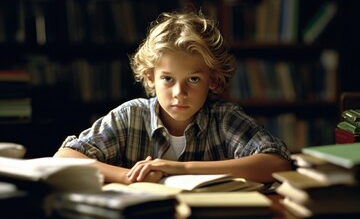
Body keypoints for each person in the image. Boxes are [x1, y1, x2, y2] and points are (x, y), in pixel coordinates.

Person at [54, 10, 292, 185]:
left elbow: (277, 163)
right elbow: (65, 157)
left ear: (214, 80)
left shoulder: (224, 118)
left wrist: (181, 169)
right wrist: (130, 177)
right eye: (167, 79)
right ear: (150, 79)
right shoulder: (131, 116)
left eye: (194, 79)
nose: (179, 93)